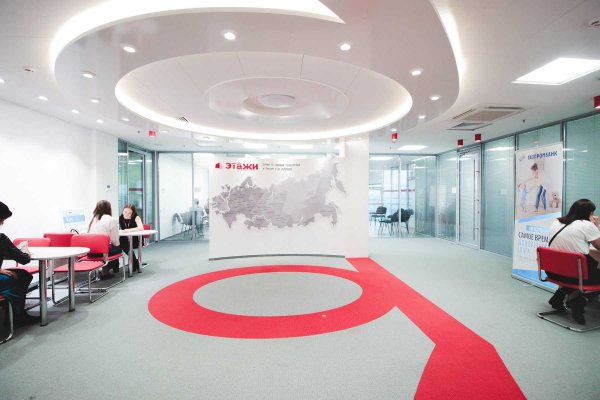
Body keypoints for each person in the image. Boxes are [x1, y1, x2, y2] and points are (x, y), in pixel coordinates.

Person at [546, 199, 600, 325]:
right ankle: (580, 300)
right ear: (588, 214)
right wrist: (595, 226)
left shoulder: (557, 221)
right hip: (575, 276)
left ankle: (558, 297)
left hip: (554, 272)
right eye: (592, 213)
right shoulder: (586, 225)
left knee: (576, 269)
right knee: (584, 271)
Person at [0, 201, 39, 325]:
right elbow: (24, 259)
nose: (2, 223)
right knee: (23, 276)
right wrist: (25, 250)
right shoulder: (1, 239)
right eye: (2, 219)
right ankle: (16, 316)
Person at [88, 200, 121, 279]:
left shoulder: (91, 219)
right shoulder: (111, 219)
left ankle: (106, 269)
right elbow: (115, 241)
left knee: (109, 247)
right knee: (118, 248)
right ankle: (107, 271)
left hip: (90, 252)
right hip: (102, 253)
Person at [118, 204, 143, 272]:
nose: (126, 214)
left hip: (136, 239)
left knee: (122, 242)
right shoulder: (120, 218)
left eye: (129, 213)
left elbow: (141, 228)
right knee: (119, 242)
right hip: (126, 239)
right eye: (125, 212)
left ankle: (134, 262)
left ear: (133, 213)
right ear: (123, 211)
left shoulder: (136, 217)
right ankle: (135, 262)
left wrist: (129, 230)